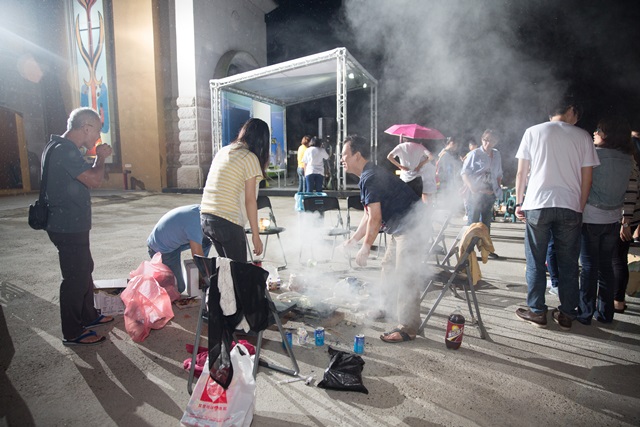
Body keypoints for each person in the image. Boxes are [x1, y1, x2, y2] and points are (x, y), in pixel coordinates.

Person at [514, 96, 599, 331]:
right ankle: (567, 313)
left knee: (535, 260)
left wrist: (519, 202)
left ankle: (537, 311)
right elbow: (587, 178)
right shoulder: (583, 136)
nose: (577, 118)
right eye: (577, 114)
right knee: (569, 263)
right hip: (570, 205)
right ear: (570, 110)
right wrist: (580, 206)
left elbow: (522, 173)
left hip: (538, 204)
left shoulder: (532, 132)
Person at [341, 135, 427, 343]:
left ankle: (408, 328)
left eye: (344, 155)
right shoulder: (368, 175)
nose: (341, 159)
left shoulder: (370, 177)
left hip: (413, 227)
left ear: (357, 155)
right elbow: (368, 215)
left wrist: (366, 247)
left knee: (406, 275)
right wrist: (354, 240)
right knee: (388, 267)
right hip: (399, 228)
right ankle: (385, 307)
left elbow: (376, 218)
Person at [45, 107, 113, 346]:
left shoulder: (59, 146)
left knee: (84, 269)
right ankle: (73, 332)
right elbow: (94, 180)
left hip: (70, 223)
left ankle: (88, 315)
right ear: (85, 128)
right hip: (67, 226)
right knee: (75, 277)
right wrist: (101, 157)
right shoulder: (65, 150)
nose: (98, 137)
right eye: (97, 131)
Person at [577, 117, 634, 324]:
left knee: (589, 266)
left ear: (607, 134)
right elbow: (631, 190)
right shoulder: (628, 158)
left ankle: (585, 313)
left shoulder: (595, 155)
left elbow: (582, 183)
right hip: (613, 219)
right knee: (606, 267)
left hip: (591, 216)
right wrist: (626, 220)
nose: (594, 133)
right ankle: (605, 313)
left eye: (598, 130)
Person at [200, 118, 270, 262]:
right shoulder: (249, 158)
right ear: (262, 141)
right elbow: (250, 200)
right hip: (227, 221)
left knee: (226, 268)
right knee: (239, 271)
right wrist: (256, 235)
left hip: (206, 218)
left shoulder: (223, 151)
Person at [147, 204, 213, 294]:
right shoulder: (195, 225)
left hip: (173, 237)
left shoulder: (205, 211)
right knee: (178, 288)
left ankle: (200, 269)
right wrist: (207, 278)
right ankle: (150, 285)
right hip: (161, 247)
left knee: (208, 238)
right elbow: (197, 255)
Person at [460, 129, 503, 258]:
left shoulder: (497, 154)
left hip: (490, 193)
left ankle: (486, 250)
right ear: (481, 139)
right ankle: (467, 251)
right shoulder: (475, 154)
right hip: (476, 193)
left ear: (496, 142)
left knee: (486, 223)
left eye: (491, 141)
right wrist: (472, 187)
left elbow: (499, 173)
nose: (487, 143)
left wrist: (498, 187)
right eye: (485, 140)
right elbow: (464, 173)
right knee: (472, 223)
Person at [612, 126, 640, 313]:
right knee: (619, 258)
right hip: (630, 216)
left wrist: (625, 222)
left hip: (625, 218)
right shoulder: (630, 158)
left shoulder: (625, 161)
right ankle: (617, 300)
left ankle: (618, 301)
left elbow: (630, 192)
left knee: (617, 259)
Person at [435, 137, 463, 202]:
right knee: (447, 196)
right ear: (451, 143)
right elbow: (448, 170)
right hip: (446, 180)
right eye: (455, 144)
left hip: (444, 179)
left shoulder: (444, 152)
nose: (456, 146)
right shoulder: (446, 154)